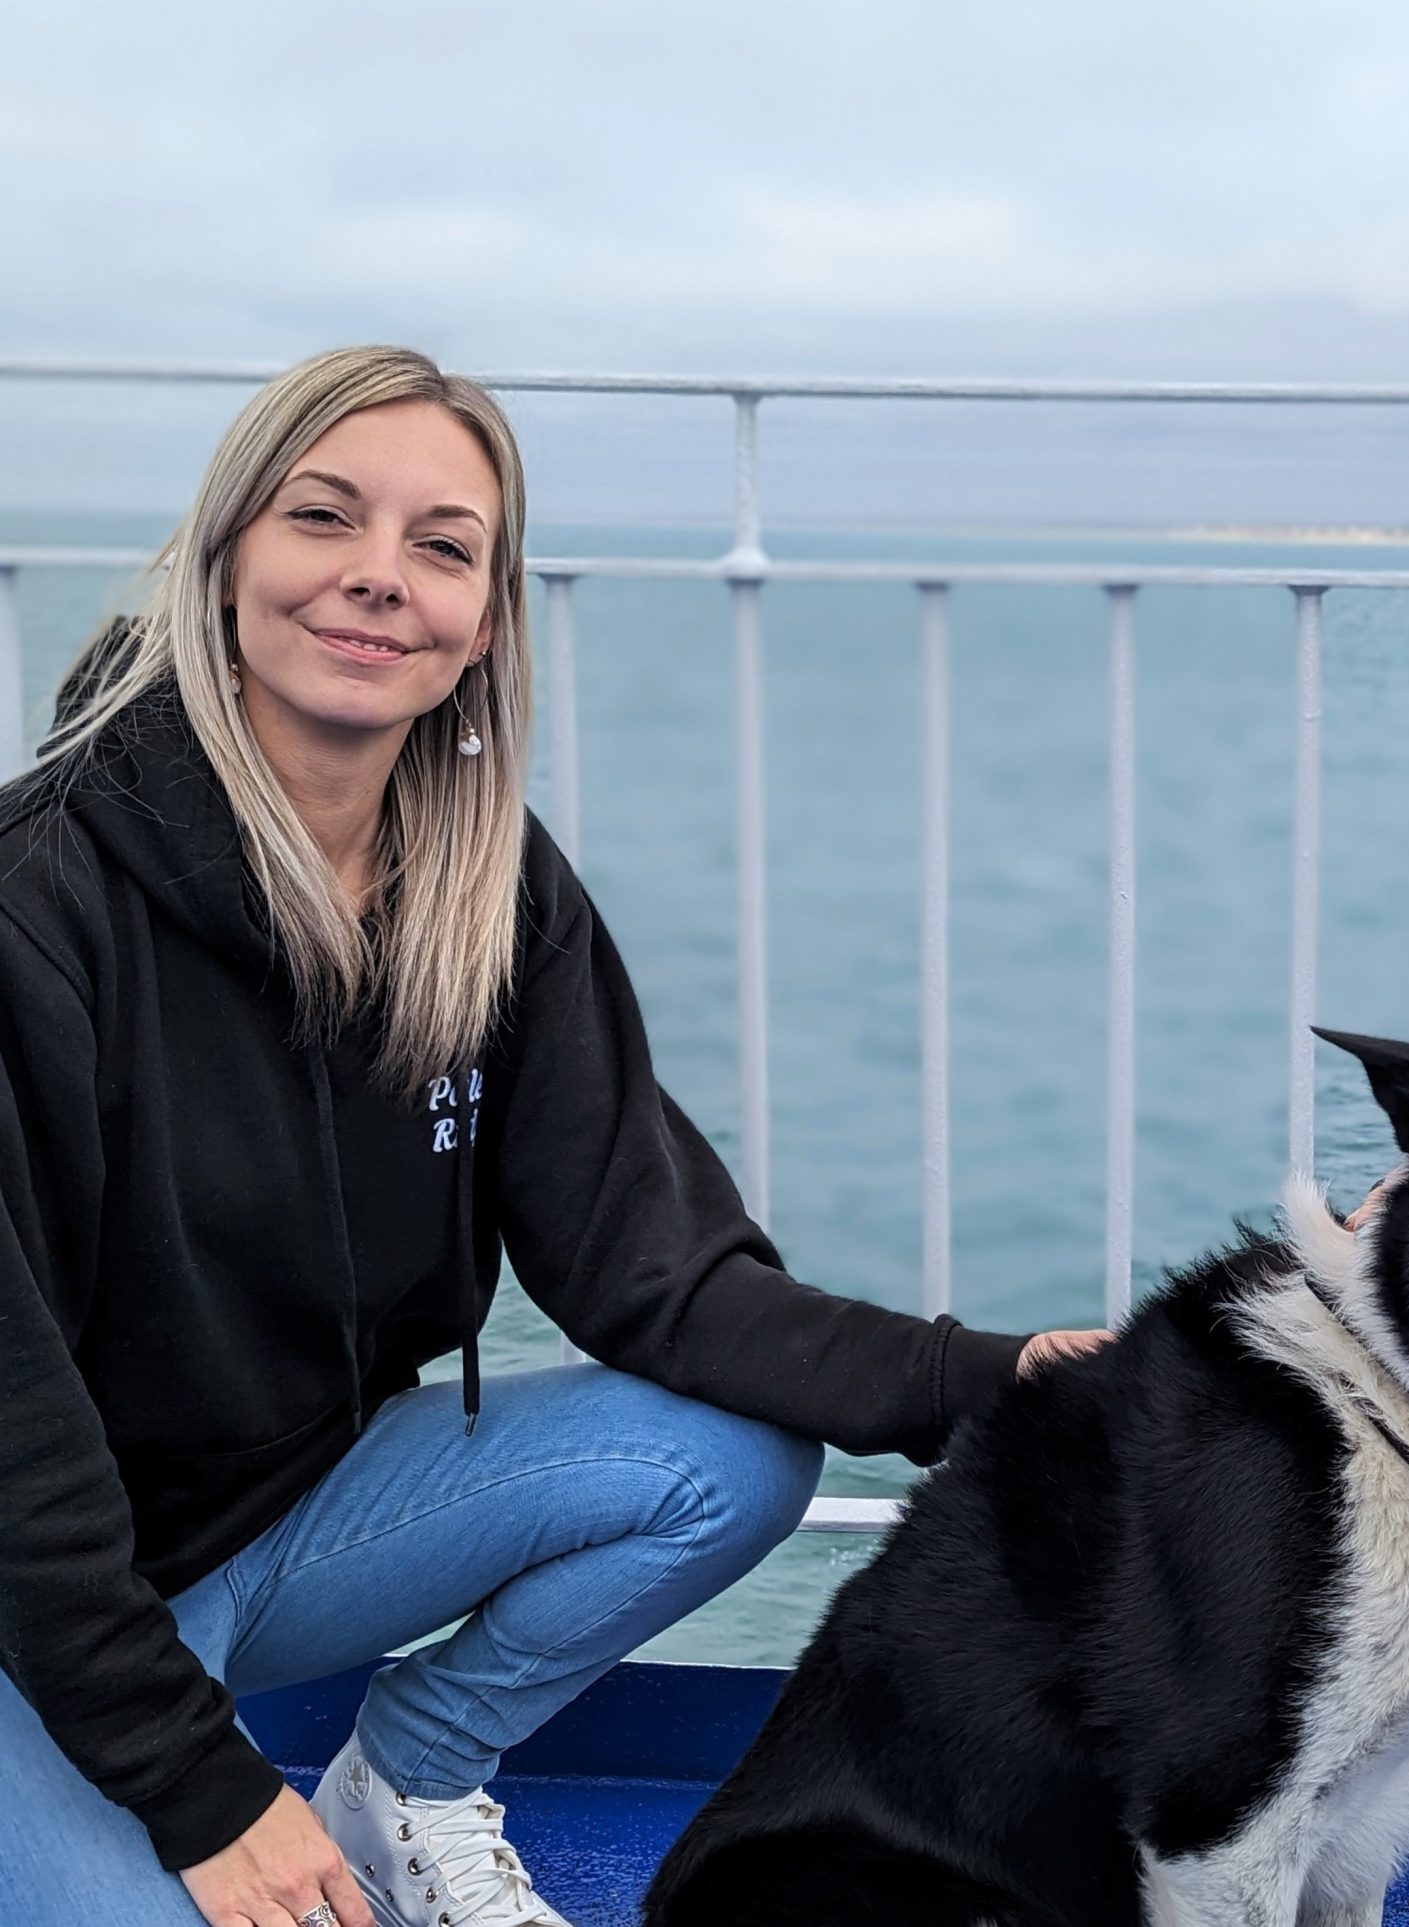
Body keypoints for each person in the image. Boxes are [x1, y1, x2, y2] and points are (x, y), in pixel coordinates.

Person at [0, 348, 1105, 1927]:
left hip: (271, 1532)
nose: (381, 580)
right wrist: (198, 1791)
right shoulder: (37, 908)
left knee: (720, 1452)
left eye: (445, 548)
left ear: (485, 626)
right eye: (326, 518)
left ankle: (410, 1773)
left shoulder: (483, 892)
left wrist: (989, 1386)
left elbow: (654, 1270)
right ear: (227, 555)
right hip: (30, 1596)